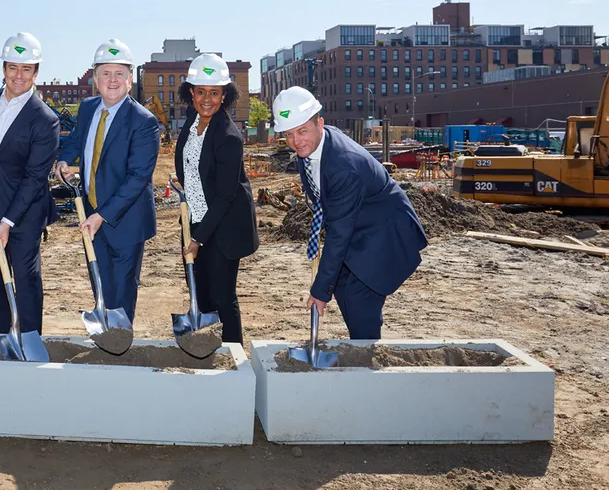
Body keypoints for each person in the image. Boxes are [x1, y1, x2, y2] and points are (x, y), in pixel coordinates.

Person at [272, 86, 427, 340]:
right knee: (342, 286)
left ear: (319, 123)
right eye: (288, 134)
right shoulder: (312, 148)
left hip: (385, 233)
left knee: (359, 298)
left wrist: (320, 291)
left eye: (302, 131)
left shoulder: (344, 166)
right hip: (359, 226)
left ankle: (366, 359)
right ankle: (361, 344)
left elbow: (339, 235)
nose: (296, 141)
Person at [56, 39, 160, 321]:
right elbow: (76, 142)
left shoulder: (144, 121)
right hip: (92, 213)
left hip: (125, 219)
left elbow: (138, 177)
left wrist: (102, 215)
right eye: (105, 73)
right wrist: (65, 160)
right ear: (95, 78)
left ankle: (120, 343)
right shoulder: (89, 108)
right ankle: (105, 336)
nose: (112, 80)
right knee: (100, 282)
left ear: (129, 79)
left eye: (119, 74)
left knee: (122, 291)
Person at [0, 32, 60, 335]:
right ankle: (3, 338)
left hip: (24, 215)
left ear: (36, 73)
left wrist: (7, 222)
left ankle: (30, 340)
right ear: (3, 68)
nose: (18, 76)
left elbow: (34, 178)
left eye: (26, 69)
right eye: (13, 68)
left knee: (25, 281)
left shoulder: (45, 119)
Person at [173, 54, 258, 343]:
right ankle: (209, 348)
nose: (206, 99)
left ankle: (233, 353)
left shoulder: (228, 137)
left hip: (223, 226)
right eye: (200, 92)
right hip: (195, 219)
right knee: (200, 291)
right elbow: (190, 162)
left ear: (224, 96)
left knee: (222, 296)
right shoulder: (191, 122)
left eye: (214, 93)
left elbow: (224, 196)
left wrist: (198, 241)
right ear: (191, 93)